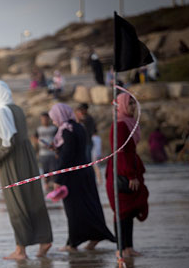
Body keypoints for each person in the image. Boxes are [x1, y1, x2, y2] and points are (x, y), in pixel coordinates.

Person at [0, 80, 52, 260]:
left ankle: (20, 250)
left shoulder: (2, 111)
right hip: (27, 159)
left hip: (13, 162)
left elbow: (8, 143)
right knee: (33, 198)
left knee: (16, 202)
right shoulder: (16, 108)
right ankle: (44, 240)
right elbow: (14, 136)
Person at [49, 103, 116, 251]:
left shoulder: (66, 130)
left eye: (54, 118)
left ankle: (72, 244)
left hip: (72, 177)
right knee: (89, 206)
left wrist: (58, 180)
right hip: (85, 173)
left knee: (73, 210)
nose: (54, 121)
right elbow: (73, 150)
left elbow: (66, 157)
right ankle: (95, 236)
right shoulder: (78, 127)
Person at [105, 93, 149, 258]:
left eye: (133, 103)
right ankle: (121, 249)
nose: (133, 106)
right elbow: (120, 152)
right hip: (121, 172)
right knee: (121, 211)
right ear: (122, 106)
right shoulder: (120, 125)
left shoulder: (130, 124)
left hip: (131, 167)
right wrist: (130, 175)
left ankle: (129, 247)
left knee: (129, 212)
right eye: (129, 104)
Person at [35, 112, 58, 192]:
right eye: (43, 119)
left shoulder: (54, 128)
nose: (44, 120)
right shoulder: (39, 129)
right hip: (43, 153)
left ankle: (54, 185)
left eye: (46, 119)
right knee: (45, 170)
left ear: (49, 119)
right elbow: (34, 138)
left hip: (53, 153)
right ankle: (46, 186)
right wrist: (37, 149)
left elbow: (58, 139)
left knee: (54, 169)